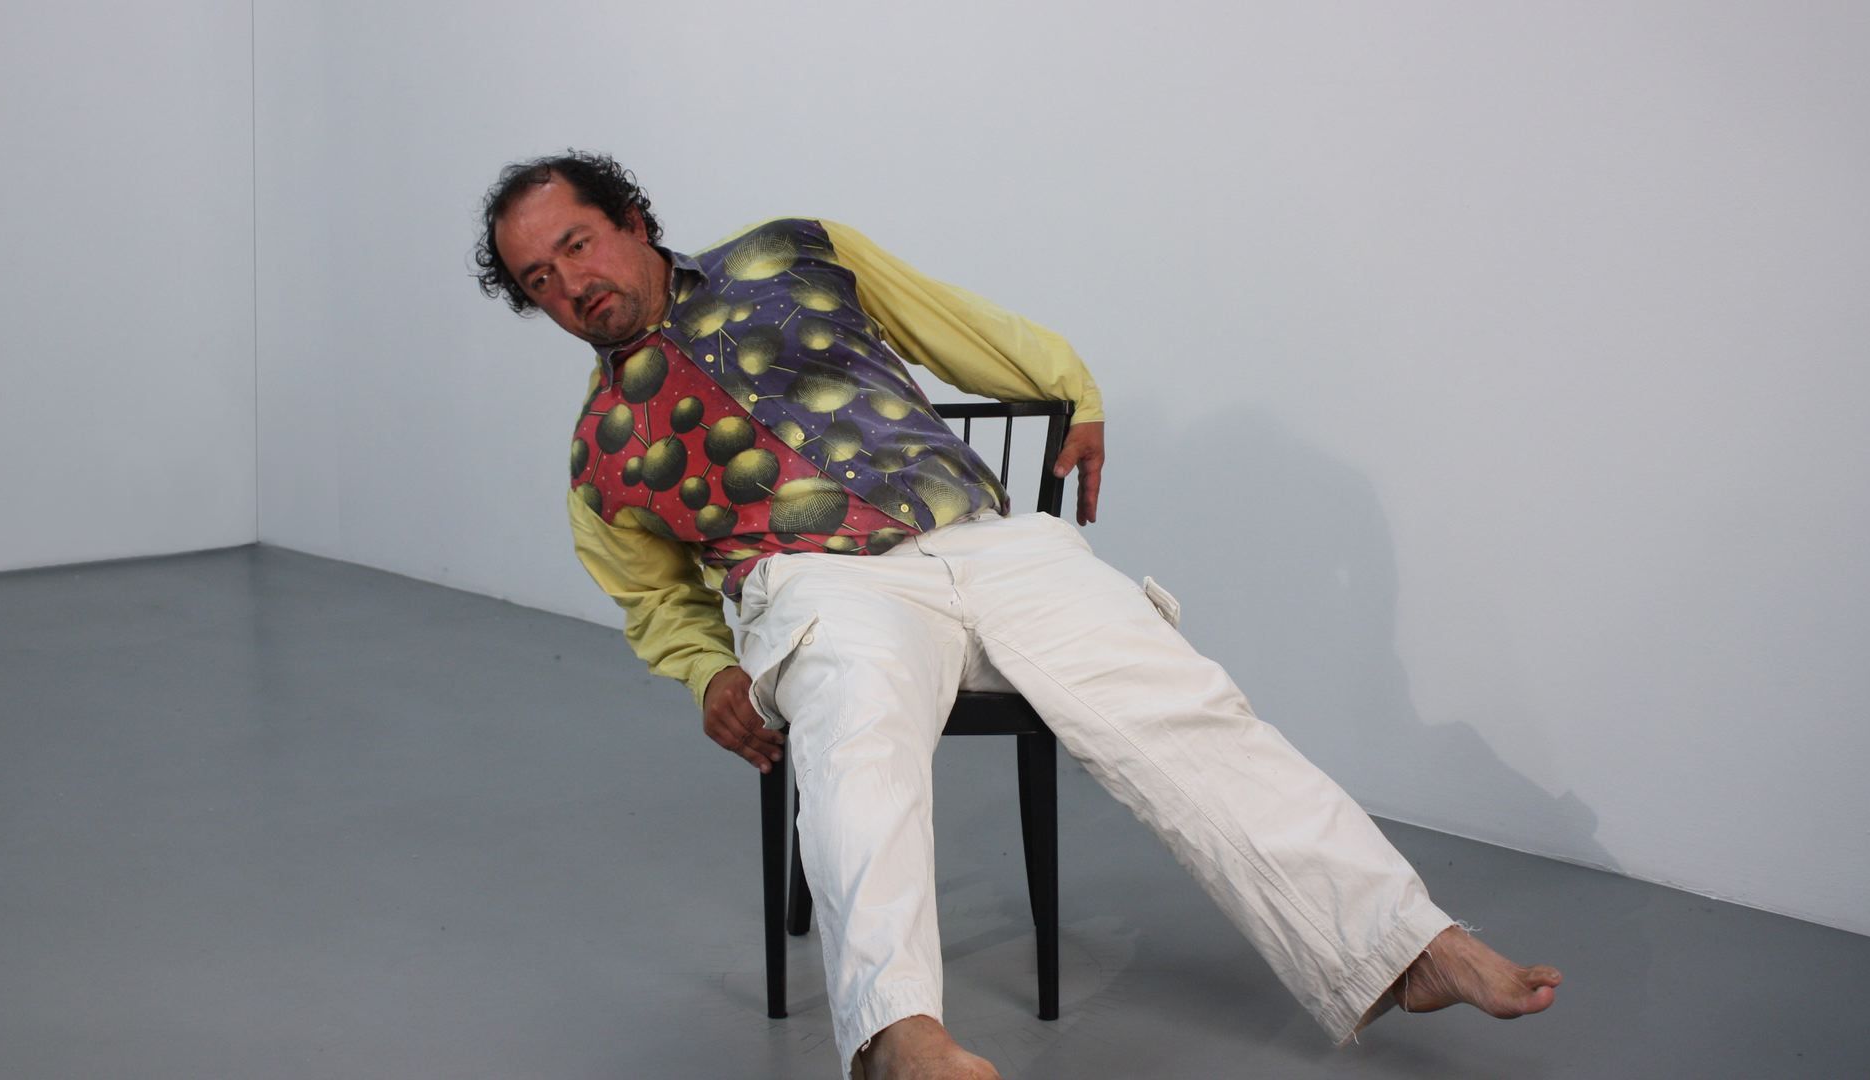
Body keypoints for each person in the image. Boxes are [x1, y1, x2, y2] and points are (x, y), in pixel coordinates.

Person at [475, 150, 1561, 1080]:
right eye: (540, 280)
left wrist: (1069, 387)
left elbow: (952, 325)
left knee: (1179, 699)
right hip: (817, 584)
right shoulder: (600, 452)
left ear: (632, 220)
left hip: (985, 540)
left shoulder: (796, 253)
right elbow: (655, 598)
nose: (572, 285)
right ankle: (899, 1035)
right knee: (857, 739)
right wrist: (710, 671)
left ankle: (1405, 948)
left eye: (577, 245)